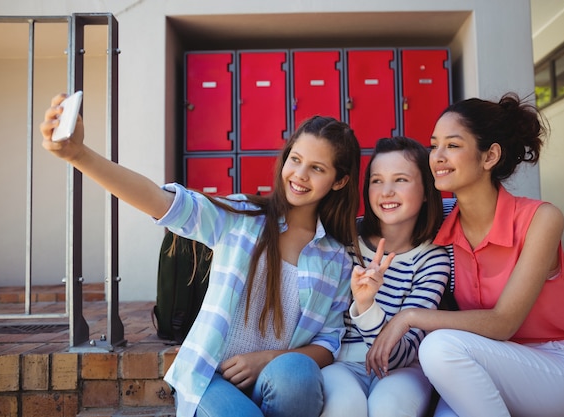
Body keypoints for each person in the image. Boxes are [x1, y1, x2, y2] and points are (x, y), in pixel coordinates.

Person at [40, 93, 362, 417]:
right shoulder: (241, 217)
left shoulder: (334, 258)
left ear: (340, 181)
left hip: (276, 379)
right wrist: (79, 154)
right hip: (210, 377)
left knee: (297, 371)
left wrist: (269, 358)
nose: (300, 174)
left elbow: (328, 342)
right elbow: (159, 200)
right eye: (295, 159)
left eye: (317, 168)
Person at [366, 93, 564, 417]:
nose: (437, 156)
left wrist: (407, 318)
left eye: (452, 145)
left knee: (437, 348)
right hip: (477, 362)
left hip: (553, 368)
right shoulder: (444, 224)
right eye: (434, 145)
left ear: (489, 156)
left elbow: (504, 323)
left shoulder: (541, 219)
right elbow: (390, 218)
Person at [321, 137, 450, 417]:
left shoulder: (432, 260)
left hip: (402, 369)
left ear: (427, 191)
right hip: (342, 363)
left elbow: (400, 354)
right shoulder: (346, 239)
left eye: (401, 180)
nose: (386, 192)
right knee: (344, 408)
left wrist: (367, 307)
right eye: (377, 181)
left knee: (388, 409)